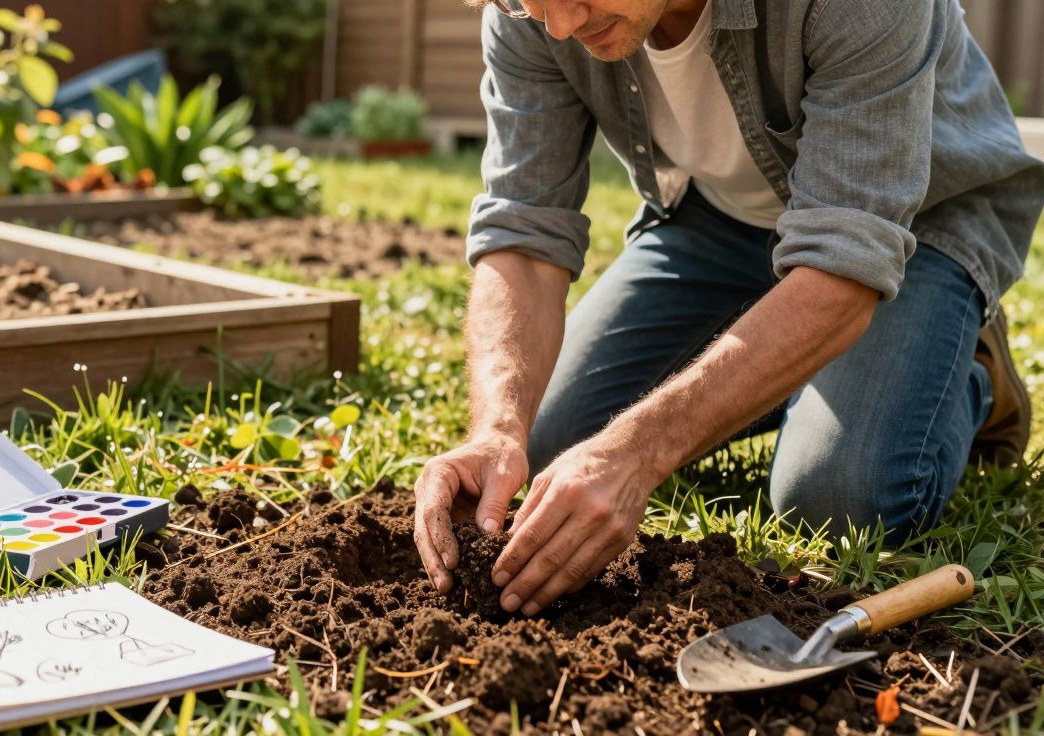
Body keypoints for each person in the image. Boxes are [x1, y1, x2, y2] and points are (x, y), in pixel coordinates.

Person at [413, 0, 1044, 618]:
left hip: (912, 227)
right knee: (548, 447)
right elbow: (523, 233)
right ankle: (804, 370)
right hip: (720, 222)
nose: (560, 24)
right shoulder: (536, 10)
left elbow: (845, 267)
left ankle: (969, 374)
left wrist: (640, 450)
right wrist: (496, 429)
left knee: (835, 495)